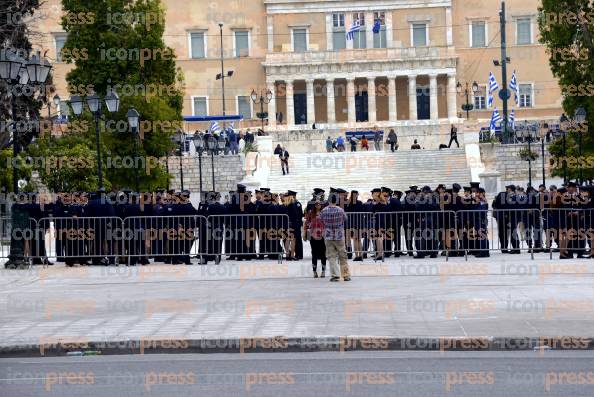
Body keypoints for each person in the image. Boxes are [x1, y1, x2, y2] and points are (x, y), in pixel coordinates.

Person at [320, 192, 351, 282]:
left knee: (331, 256)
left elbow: (320, 219)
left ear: (329, 200)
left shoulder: (324, 210)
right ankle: (345, 275)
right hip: (339, 235)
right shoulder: (340, 210)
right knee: (343, 256)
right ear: (336, 200)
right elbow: (345, 219)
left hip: (328, 236)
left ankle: (335, 275)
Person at [304, 200, 326, 277]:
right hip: (313, 235)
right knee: (314, 253)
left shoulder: (324, 213)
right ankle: (314, 271)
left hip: (322, 235)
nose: (318, 205)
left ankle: (323, 271)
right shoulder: (311, 213)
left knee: (323, 253)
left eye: (319, 204)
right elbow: (306, 223)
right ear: (314, 205)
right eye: (316, 204)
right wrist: (305, 234)